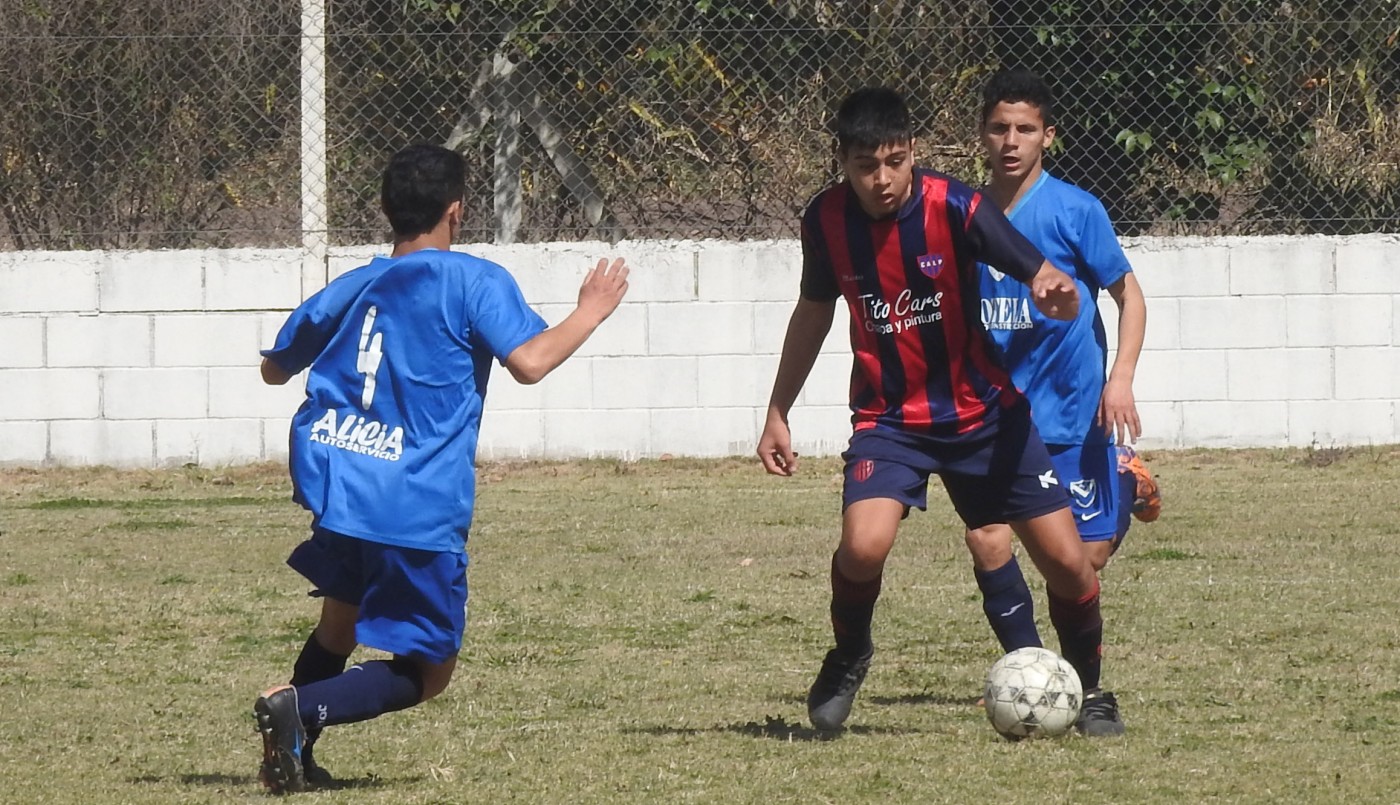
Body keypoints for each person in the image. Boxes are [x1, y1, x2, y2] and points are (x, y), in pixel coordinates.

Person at [253, 143, 628, 793]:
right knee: (428, 671)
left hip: (343, 486)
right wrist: (590, 310)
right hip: (413, 502)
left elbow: (274, 367)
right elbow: (530, 360)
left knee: (338, 625)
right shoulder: (473, 281)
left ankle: (292, 751)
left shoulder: (353, 284)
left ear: (385, 209)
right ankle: (297, 707)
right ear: (457, 212)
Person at [757, 86, 1126, 736]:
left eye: (895, 161)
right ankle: (849, 653)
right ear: (842, 159)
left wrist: (1053, 289)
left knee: (1069, 564)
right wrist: (778, 407)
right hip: (890, 421)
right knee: (863, 545)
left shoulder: (954, 205)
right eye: (867, 165)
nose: (883, 179)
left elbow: (1035, 268)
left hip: (986, 416)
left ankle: (1090, 689)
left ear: (913, 154)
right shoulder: (825, 221)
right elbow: (815, 309)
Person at [965, 69, 1160, 729]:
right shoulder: (963, 218)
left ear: (1048, 135)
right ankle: (1047, 684)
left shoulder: (1076, 210)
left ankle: (1123, 483)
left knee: (1079, 565)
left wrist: (1121, 376)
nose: (1011, 141)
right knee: (986, 537)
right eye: (999, 128)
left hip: (1075, 415)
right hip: (996, 420)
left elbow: (1129, 295)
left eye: (1025, 129)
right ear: (982, 137)